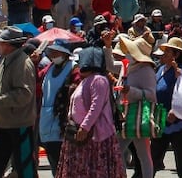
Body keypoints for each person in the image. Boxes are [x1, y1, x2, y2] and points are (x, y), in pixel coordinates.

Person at [58, 46, 125, 178]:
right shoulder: (85, 81)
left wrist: (84, 127)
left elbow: (96, 106)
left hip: (94, 137)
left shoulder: (98, 80)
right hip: (82, 136)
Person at [0, 26, 38, 178]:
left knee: (24, 168)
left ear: (10, 45)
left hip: (19, 124)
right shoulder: (6, 60)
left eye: (1, 43)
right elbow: (7, 82)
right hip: (4, 124)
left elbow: (24, 94)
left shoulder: (22, 63)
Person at [152, 38, 182, 178]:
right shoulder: (161, 69)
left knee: (180, 157)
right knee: (154, 155)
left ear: (176, 55)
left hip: (178, 121)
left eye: (168, 51)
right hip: (161, 118)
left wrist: (175, 109)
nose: (164, 54)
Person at [117, 33, 156, 178]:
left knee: (143, 154)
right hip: (129, 114)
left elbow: (151, 95)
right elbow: (109, 64)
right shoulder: (131, 68)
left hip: (139, 114)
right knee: (119, 149)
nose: (127, 53)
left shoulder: (146, 70)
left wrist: (131, 91)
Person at [37, 40, 76, 175]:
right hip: (46, 122)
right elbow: (37, 80)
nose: (53, 54)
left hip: (62, 123)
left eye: (56, 51)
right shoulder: (49, 69)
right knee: (54, 162)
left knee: (64, 165)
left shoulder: (74, 69)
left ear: (65, 54)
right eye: (51, 51)